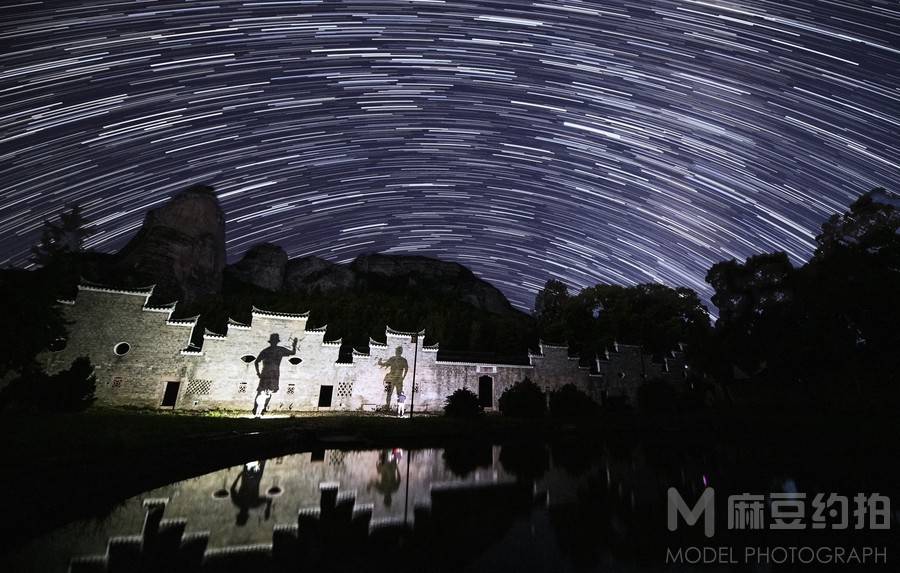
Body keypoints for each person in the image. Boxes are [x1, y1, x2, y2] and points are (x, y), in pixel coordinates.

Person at [252, 333, 298, 417]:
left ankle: (261, 409)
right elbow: (293, 352)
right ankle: (257, 409)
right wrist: (294, 345)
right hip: (271, 372)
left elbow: (256, 362)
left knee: (266, 391)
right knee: (264, 391)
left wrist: (258, 373)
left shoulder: (268, 350)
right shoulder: (277, 350)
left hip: (270, 372)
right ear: (276, 341)